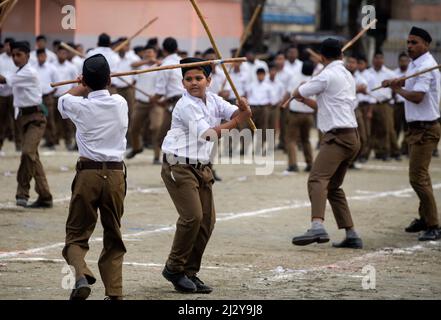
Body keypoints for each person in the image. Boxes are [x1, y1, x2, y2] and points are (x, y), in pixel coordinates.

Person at [160, 57, 252, 293]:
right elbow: (209, 135)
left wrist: (242, 108)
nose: (194, 83)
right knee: (192, 217)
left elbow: (233, 111)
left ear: (209, 80)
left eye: (199, 78)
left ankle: (190, 272)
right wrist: (238, 120)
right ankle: (174, 268)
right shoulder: (185, 105)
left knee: (207, 221)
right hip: (178, 165)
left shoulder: (212, 99)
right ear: (182, 83)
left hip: (201, 166)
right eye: (188, 79)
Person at [58, 54, 129, 300]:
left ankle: (80, 276)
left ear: (85, 81)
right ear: (109, 79)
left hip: (88, 174)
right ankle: (115, 292)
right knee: (113, 233)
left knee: (76, 235)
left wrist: (81, 85)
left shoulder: (78, 104)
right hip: (116, 174)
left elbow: (64, 99)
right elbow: (105, 90)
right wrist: (93, 84)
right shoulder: (121, 103)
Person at [291, 38, 363, 249]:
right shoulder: (346, 74)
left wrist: (299, 93)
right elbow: (324, 106)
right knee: (333, 187)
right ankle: (351, 233)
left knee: (317, 179)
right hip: (351, 136)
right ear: (341, 55)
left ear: (322, 57)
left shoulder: (327, 75)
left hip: (338, 137)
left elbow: (299, 92)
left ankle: (317, 225)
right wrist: (305, 98)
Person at [386, 27, 441, 241]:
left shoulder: (427, 66)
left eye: (414, 42)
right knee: (421, 175)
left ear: (426, 44)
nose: (409, 46)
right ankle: (424, 217)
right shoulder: (415, 65)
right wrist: (396, 81)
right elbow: (409, 82)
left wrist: (396, 89)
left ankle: (434, 224)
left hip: (425, 128)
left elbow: (418, 96)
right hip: (416, 128)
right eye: (408, 42)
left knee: (417, 178)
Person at [0, 41, 53, 208]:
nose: (15, 58)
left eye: (19, 55)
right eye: (13, 55)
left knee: (27, 153)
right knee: (33, 158)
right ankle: (45, 197)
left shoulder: (28, 72)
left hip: (35, 119)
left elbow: (3, 79)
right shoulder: (19, 72)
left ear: (27, 56)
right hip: (23, 119)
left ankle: (22, 193)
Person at [126, 45, 162, 163]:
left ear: (155, 54)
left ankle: (157, 156)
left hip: (155, 103)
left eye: (151, 52)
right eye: (146, 53)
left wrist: (155, 62)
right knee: (133, 128)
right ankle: (137, 148)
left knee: (156, 127)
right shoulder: (140, 67)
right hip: (141, 103)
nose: (148, 54)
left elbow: (163, 66)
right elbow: (133, 66)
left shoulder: (159, 67)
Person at [283, 60, 315, 173]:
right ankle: (310, 163)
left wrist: (283, 105)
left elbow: (288, 93)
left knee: (291, 140)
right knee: (306, 139)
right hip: (309, 115)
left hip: (295, 114)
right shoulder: (314, 80)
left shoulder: (295, 77)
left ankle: (293, 164)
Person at [34, 48, 58, 149]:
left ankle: (52, 141)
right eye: (40, 56)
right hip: (37, 98)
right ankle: (46, 140)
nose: (42, 58)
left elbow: (56, 83)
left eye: (43, 56)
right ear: (37, 57)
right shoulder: (33, 68)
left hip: (48, 97)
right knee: (39, 119)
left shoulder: (51, 68)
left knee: (50, 119)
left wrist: (50, 95)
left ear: (46, 56)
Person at [0, 37, 20, 154]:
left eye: (10, 45)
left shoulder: (16, 59)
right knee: (1, 121)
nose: (8, 47)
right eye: (6, 45)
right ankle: (0, 145)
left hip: (14, 94)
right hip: (1, 94)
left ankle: (19, 145)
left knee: (17, 120)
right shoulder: (0, 58)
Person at [393, 52, 410, 156]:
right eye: (401, 61)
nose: (403, 62)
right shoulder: (393, 73)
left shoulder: (411, 73)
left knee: (407, 128)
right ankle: (395, 149)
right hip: (398, 105)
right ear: (398, 61)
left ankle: (406, 149)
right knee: (396, 127)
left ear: (408, 61)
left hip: (408, 104)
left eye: (405, 60)